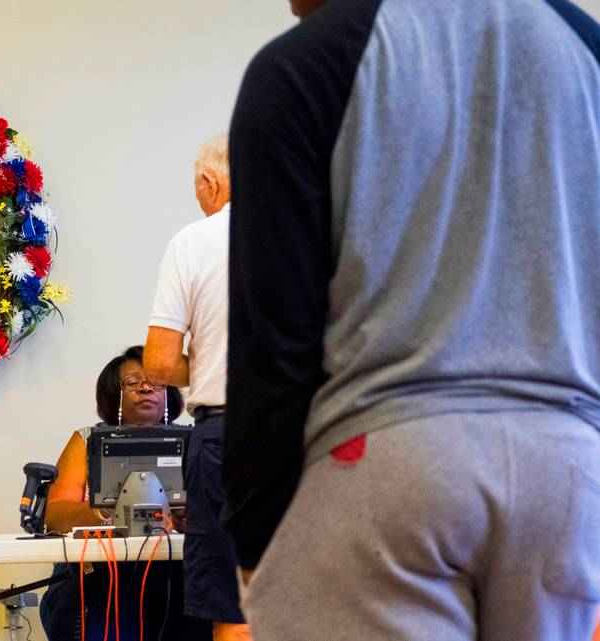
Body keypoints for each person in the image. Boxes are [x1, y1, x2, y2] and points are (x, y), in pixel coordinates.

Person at [224, 1, 600, 640]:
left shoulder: (303, 65)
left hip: (388, 460)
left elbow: (274, 339)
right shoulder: (584, 46)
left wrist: (257, 538)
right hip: (566, 471)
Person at [143, 135, 249, 641]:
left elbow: (159, 363)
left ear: (210, 184)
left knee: (233, 607)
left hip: (229, 435)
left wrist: (211, 362)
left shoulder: (193, 241)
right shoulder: (314, 234)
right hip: (311, 433)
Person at [38, 346, 209, 641]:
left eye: (156, 382)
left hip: (176, 576)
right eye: (132, 382)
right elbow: (54, 514)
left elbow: (220, 511)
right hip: (101, 578)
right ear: (112, 393)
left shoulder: (196, 440)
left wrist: (187, 515)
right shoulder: (86, 440)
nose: (145, 388)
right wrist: (109, 514)